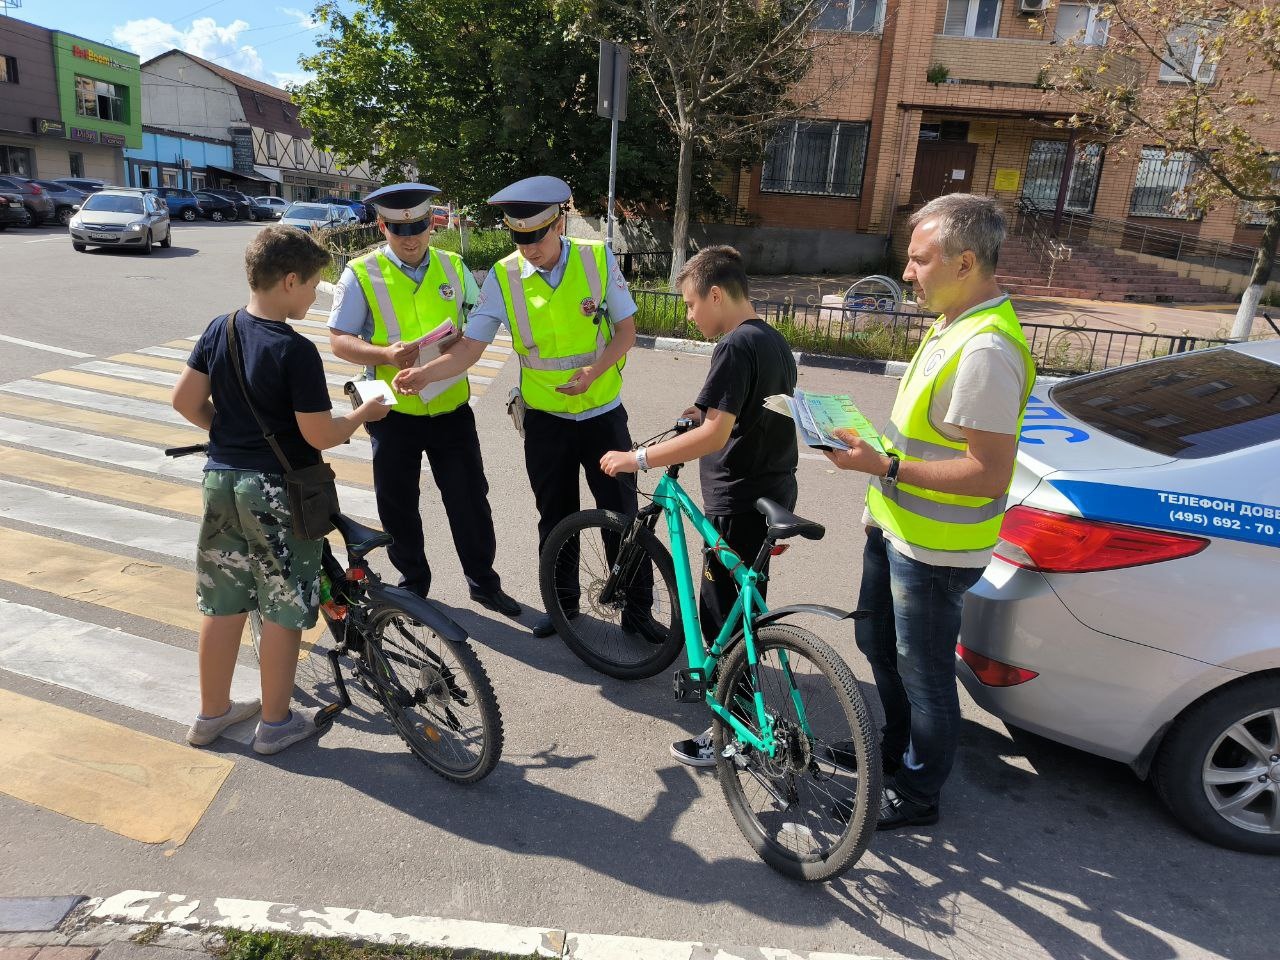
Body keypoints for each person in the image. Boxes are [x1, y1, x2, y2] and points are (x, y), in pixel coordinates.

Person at [824, 193, 1035, 830]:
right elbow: (927, 435)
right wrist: (873, 462)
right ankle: (892, 751)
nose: (907, 273)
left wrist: (884, 468)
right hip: (898, 529)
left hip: (935, 552)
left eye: (919, 261)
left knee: (926, 676)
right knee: (875, 643)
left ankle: (918, 795)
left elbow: (987, 473)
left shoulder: (985, 352)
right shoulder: (954, 324)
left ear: (965, 261)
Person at [392, 175, 644, 638]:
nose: (529, 248)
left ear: (559, 223)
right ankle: (564, 607)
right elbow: (471, 346)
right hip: (546, 419)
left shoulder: (596, 258)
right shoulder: (505, 275)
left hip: (602, 412)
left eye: (538, 237)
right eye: (520, 238)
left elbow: (626, 331)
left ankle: (637, 609)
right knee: (555, 515)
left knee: (620, 513)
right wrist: (427, 373)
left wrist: (595, 370)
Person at [172, 225, 391, 755]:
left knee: (222, 602)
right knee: (283, 604)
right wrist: (363, 413)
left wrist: (230, 438)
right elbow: (320, 435)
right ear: (289, 280)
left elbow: (184, 401)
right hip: (277, 491)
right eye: (313, 284)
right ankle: (275, 724)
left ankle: (212, 715)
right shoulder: (294, 351)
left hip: (221, 481)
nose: (315, 295)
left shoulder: (218, 329)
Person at [599, 245, 799, 767]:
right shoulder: (773, 340)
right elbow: (741, 409)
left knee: (720, 625)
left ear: (716, 294)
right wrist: (706, 409)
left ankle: (732, 736)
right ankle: (749, 713)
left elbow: (713, 436)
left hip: (736, 499)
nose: (689, 316)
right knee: (744, 613)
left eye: (691, 305)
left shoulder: (734, 346)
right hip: (773, 490)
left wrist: (636, 457)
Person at [328, 182, 520, 618]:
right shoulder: (361, 273)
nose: (410, 237)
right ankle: (413, 584)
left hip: (451, 408)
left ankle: (483, 583)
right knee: (398, 503)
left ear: (432, 224)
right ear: (382, 227)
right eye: (399, 229)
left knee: (469, 498)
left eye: (418, 225)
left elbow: (476, 324)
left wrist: (456, 342)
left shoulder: (453, 266)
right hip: (393, 413)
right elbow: (338, 340)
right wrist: (383, 355)